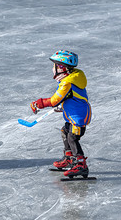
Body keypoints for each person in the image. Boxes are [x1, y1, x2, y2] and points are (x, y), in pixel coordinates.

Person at [30, 50, 92, 178]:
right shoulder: (73, 77)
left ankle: (80, 164)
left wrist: (38, 103)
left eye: (55, 66)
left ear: (62, 68)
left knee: (72, 137)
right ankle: (69, 158)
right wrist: (63, 106)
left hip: (78, 117)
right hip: (74, 115)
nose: (53, 69)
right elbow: (72, 97)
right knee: (65, 131)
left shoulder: (67, 83)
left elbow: (54, 100)